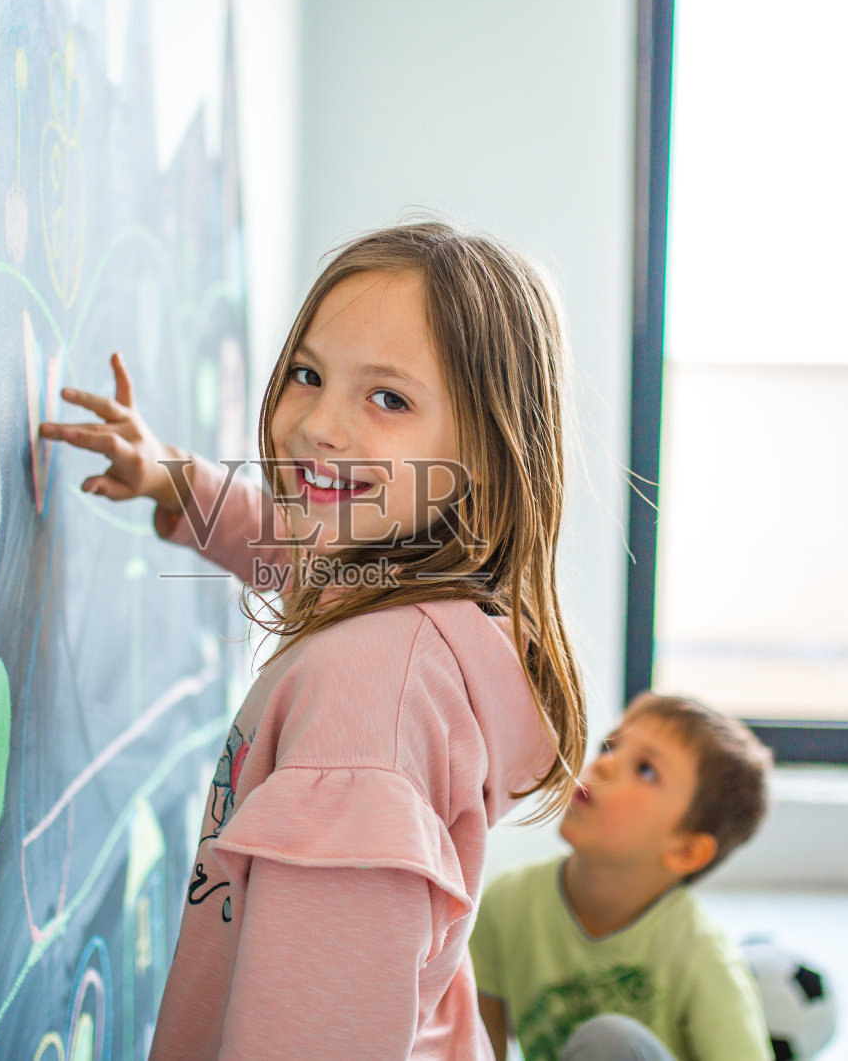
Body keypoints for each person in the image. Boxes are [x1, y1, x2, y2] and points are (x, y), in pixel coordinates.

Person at [40, 221, 589, 1058]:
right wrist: (169, 478)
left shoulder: (362, 702)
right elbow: (284, 542)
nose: (317, 426)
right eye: (307, 374)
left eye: (389, 398)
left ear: (484, 447)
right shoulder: (412, 598)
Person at [469, 692, 776, 1061]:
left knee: (607, 1040)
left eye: (645, 769)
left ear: (685, 851)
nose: (603, 765)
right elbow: (476, 1048)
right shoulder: (506, 905)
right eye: (609, 747)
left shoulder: (701, 955)